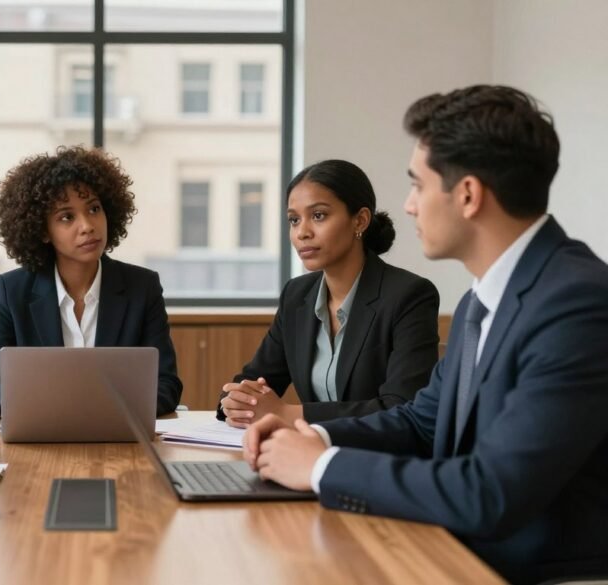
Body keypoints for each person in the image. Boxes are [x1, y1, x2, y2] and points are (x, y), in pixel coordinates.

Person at [243, 85, 608, 584]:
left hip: (539, 571)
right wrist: (309, 435)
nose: (410, 206)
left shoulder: (577, 303)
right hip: (461, 549)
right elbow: (421, 422)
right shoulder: (484, 299)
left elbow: (490, 492)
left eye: (418, 184)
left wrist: (322, 467)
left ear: (468, 195)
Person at [219, 160, 439, 428]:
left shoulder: (409, 295)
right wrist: (235, 401)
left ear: (360, 220)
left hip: (376, 458)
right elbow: (255, 379)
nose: (302, 232)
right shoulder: (296, 295)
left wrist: (292, 414)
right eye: (294, 220)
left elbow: (402, 407)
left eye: (319, 215)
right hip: (307, 454)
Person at [0, 146, 182, 417]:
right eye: (67, 217)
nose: (87, 225)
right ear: (43, 231)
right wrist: (28, 411)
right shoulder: (13, 291)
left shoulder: (142, 287)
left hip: (118, 437)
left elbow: (166, 384)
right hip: (39, 435)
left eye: (94, 209)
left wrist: (101, 411)